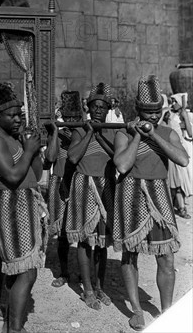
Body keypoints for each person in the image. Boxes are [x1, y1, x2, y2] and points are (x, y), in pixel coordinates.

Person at [113, 75, 189, 330]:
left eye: (157, 112)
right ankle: (136, 310)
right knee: (129, 254)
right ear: (138, 111)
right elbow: (123, 165)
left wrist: (154, 134)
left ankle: (167, 311)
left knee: (166, 257)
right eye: (148, 113)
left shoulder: (167, 132)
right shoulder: (124, 134)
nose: (153, 116)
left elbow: (183, 160)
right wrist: (136, 136)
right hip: (130, 194)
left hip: (160, 194)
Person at [0, 82, 57, 333]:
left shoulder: (14, 139)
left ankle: (9, 323)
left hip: (25, 202)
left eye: (19, 115)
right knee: (26, 272)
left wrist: (33, 152)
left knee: (20, 271)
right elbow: (12, 177)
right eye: (11, 115)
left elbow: (35, 174)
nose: (17, 120)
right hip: (10, 206)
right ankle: (14, 329)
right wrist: (28, 150)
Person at [65, 83, 117, 311]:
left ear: (108, 110)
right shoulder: (78, 130)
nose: (98, 110)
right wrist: (88, 133)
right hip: (84, 185)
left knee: (102, 243)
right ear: (88, 108)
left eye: (102, 107)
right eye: (94, 106)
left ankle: (99, 286)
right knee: (86, 241)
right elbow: (74, 158)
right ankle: (87, 289)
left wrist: (100, 134)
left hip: (106, 186)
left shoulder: (114, 131)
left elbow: (117, 158)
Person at [48, 90, 81, 288]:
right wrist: (54, 133)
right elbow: (50, 158)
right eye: (66, 116)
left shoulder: (85, 132)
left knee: (82, 231)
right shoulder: (58, 134)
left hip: (79, 182)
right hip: (59, 181)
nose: (69, 120)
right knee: (61, 233)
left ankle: (84, 272)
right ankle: (64, 271)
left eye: (74, 117)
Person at [161, 93, 193, 218]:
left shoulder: (185, 115)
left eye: (175, 101)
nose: (172, 104)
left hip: (182, 149)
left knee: (181, 180)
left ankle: (181, 207)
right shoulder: (168, 115)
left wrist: (185, 118)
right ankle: (179, 207)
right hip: (171, 150)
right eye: (171, 101)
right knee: (174, 182)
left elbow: (189, 134)